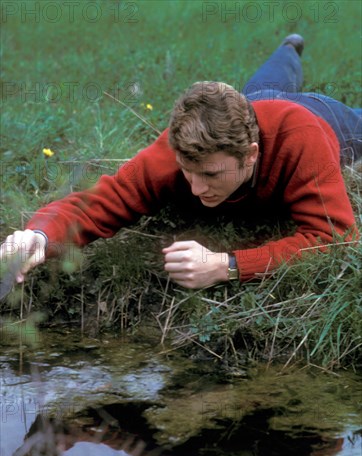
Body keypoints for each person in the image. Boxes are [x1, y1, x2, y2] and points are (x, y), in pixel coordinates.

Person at [0, 35, 360, 289]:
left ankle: (292, 56)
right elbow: (104, 201)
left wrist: (227, 266)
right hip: (253, 103)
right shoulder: (180, 149)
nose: (196, 187)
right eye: (188, 172)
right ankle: (288, 47)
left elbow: (335, 237)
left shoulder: (302, 140)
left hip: (322, 116)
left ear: (250, 154)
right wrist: (39, 236)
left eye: (210, 174)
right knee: (266, 82)